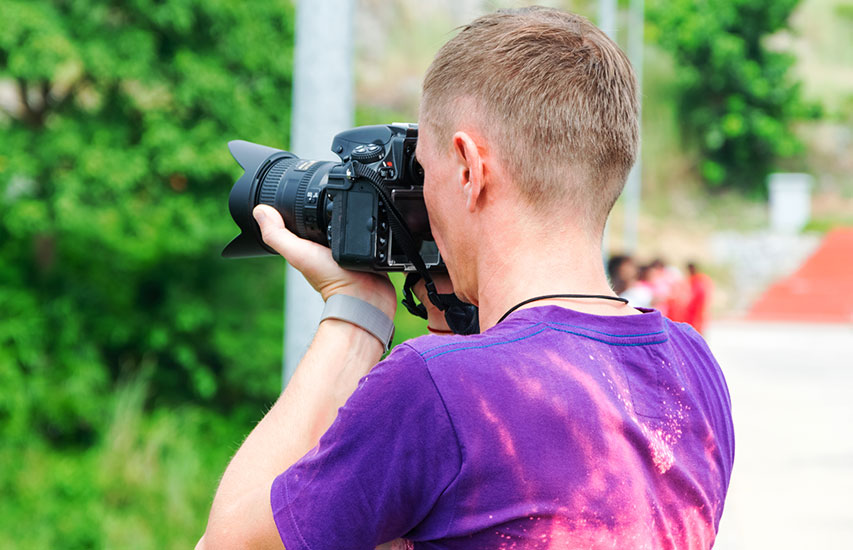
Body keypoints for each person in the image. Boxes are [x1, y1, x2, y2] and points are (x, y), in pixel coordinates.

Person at [197, 8, 734, 549]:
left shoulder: (433, 390)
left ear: (469, 168)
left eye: (426, 174)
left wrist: (354, 310)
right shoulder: (694, 370)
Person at [684, 262, 714, 334]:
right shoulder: (696, 279)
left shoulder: (698, 279)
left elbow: (697, 295)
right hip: (694, 310)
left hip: (698, 309)